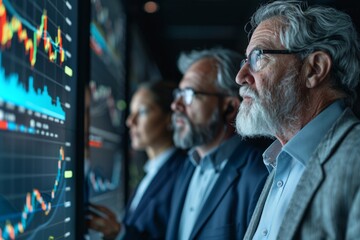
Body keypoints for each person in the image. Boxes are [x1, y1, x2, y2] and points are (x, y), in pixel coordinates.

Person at [235, 1, 360, 239]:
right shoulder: (277, 163)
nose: (240, 77)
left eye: (257, 58)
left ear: (314, 69)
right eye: (245, 61)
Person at [166, 48, 270, 240]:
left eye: (189, 94)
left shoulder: (259, 177)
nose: (176, 105)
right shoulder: (186, 168)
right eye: (178, 93)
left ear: (230, 107)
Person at [87, 80, 187, 240]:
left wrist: (120, 233)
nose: (130, 121)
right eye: (131, 112)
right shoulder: (153, 170)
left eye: (142, 112)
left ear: (169, 118)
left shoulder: (183, 172)